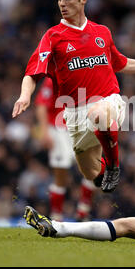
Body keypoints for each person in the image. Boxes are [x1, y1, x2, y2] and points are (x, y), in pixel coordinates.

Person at [12, 0, 135, 193]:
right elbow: (31, 73)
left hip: (108, 102)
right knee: (91, 174)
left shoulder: (102, 32)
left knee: (99, 113)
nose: (62, 4)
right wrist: (24, 96)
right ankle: (105, 167)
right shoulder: (53, 36)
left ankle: (114, 165)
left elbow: (121, 63)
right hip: (74, 113)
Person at [34, 77, 95, 221]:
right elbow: (41, 105)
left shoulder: (85, 75)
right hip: (58, 130)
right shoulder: (52, 79)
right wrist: (44, 132)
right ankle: (56, 217)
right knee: (61, 177)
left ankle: (82, 212)